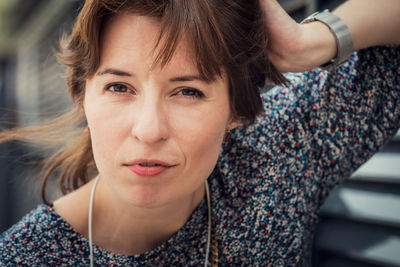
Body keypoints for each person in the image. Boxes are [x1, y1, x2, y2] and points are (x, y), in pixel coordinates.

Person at [0, 0, 399, 266]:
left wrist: (309, 42)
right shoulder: (27, 257)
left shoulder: (278, 155)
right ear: (82, 95)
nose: (149, 130)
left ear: (236, 110)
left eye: (188, 91)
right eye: (120, 87)